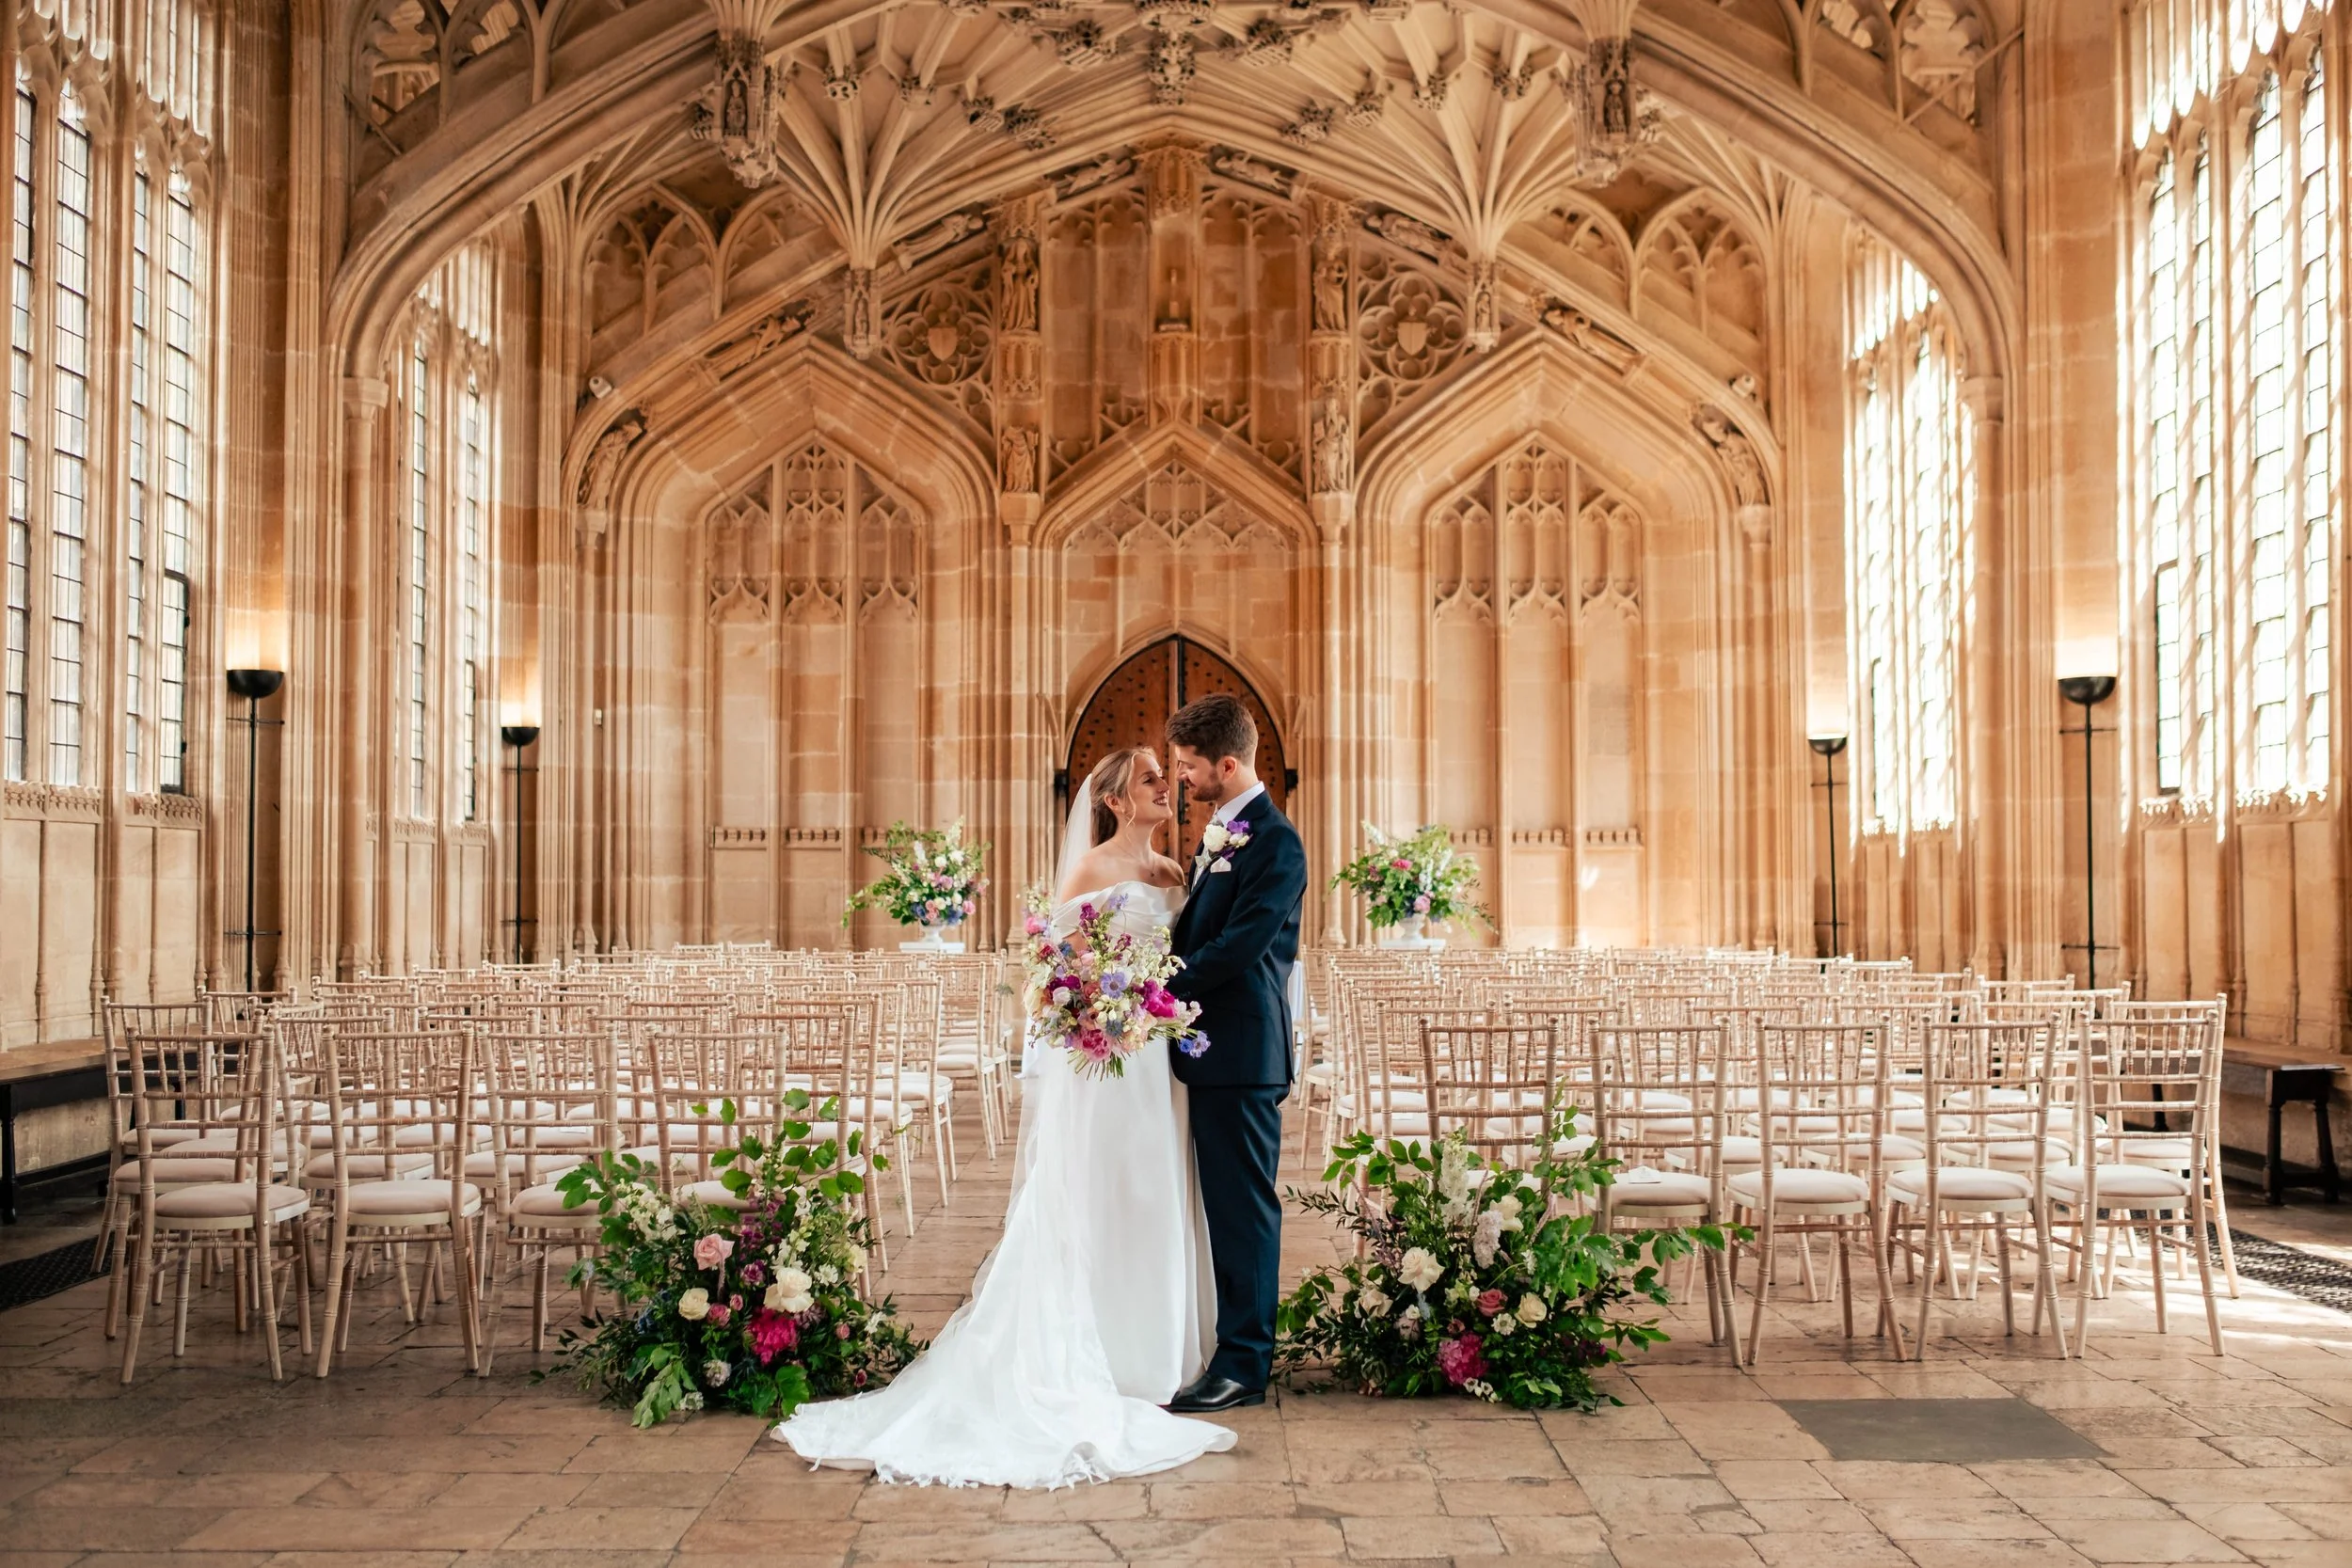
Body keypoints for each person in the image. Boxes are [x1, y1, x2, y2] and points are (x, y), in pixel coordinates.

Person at [773, 748, 1232, 1486]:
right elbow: (1056, 970)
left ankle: (1159, 1353)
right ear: (1114, 800)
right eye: (1150, 778)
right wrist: (1102, 1011)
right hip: (1109, 1067)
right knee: (1102, 1196)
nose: (1164, 788)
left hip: (1160, 1068)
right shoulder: (1088, 872)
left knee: (1158, 1195)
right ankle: (1101, 1354)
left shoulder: (1173, 874)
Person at [1163, 694, 1309, 1413]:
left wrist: (1157, 988)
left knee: (1244, 1209)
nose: (1182, 779)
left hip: (1244, 1053)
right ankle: (1225, 1343)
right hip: (1209, 1050)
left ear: (1227, 763)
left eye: (1190, 767)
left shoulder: (1275, 841)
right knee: (1219, 1205)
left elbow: (1243, 947)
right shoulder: (1221, 829)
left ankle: (1245, 1364)